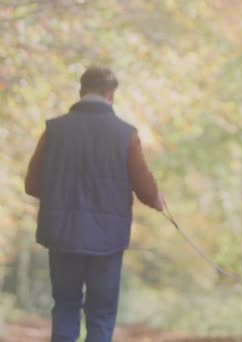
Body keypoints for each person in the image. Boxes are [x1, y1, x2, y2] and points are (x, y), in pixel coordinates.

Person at [25, 66, 164, 342]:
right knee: (100, 313)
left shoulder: (54, 130)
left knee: (65, 305)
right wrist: (156, 200)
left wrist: (59, 196)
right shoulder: (125, 134)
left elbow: (32, 184)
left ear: (81, 91)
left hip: (62, 234)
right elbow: (144, 186)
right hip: (107, 239)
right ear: (111, 94)